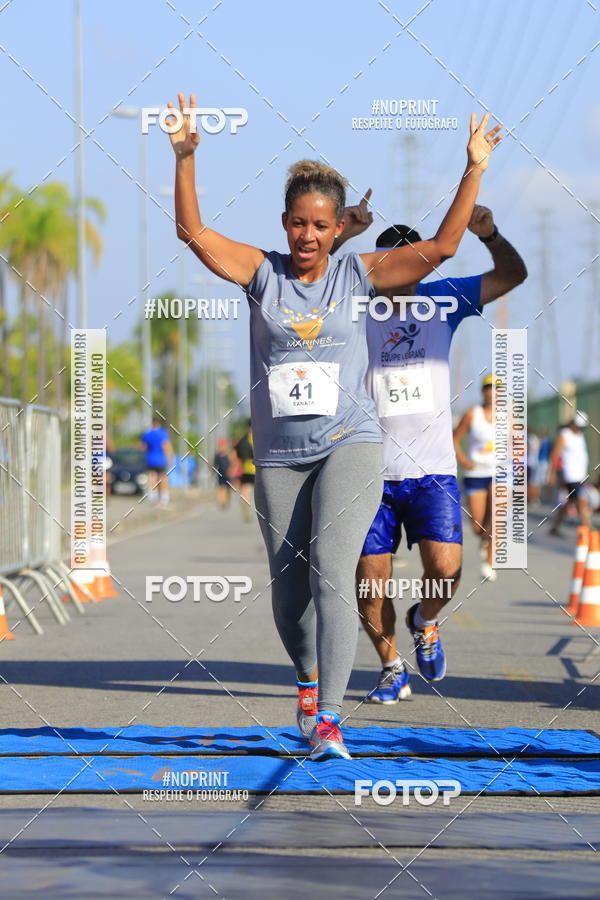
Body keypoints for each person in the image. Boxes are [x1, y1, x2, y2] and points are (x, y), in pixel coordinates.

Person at [169, 91, 501, 760]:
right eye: (299, 224)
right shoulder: (261, 274)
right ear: (286, 222)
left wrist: (474, 170)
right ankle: (306, 679)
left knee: (332, 570)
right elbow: (194, 235)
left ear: (335, 228)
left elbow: (438, 247)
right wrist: (184, 160)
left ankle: (328, 724)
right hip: (282, 457)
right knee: (292, 596)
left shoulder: (358, 274)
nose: (309, 238)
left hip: (351, 443)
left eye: (321, 226)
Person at [343, 207, 526, 704]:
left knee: (445, 570)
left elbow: (512, 275)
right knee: (369, 583)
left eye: (415, 262)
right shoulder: (354, 304)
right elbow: (310, 284)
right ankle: (390, 667)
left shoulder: (443, 299)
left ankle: (424, 620)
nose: (403, 272)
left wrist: (488, 232)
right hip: (369, 470)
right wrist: (343, 234)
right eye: (391, 263)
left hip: (434, 471)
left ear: (425, 263)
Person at [453, 375, 498, 581]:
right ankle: (483, 539)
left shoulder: (508, 416)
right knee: (478, 525)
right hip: (475, 473)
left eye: (496, 388)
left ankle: (489, 562)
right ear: (483, 391)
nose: (492, 392)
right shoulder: (473, 414)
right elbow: (455, 439)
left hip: (499, 473)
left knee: (496, 518)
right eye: (488, 388)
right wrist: (463, 461)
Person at [548, 412, 591, 536]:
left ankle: (555, 526)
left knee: (570, 502)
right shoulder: (564, 435)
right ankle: (589, 531)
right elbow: (555, 455)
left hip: (580, 475)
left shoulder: (580, 435)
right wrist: (551, 474)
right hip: (571, 476)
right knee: (582, 502)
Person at [140, 418, 173, 505]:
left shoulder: (147, 434)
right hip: (161, 459)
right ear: (158, 423)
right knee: (162, 478)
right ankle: (164, 497)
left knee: (152, 476)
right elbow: (166, 446)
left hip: (150, 459)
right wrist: (169, 458)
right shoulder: (163, 433)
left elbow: (143, 447)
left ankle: (152, 496)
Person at [234, 419, 256, 523]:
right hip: (258, 468)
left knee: (246, 490)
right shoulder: (260, 437)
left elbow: (236, 452)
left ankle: (245, 507)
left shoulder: (243, 439)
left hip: (246, 468)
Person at [213, 438, 232, 509]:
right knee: (221, 487)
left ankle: (227, 500)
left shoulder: (229, 454)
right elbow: (215, 464)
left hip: (228, 473)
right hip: (220, 473)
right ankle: (222, 501)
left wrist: (232, 470)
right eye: (221, 445)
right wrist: (213, 471)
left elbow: (232, 463)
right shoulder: (217, 455)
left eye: (223, 445)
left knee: (228, 488)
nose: (222, 447)